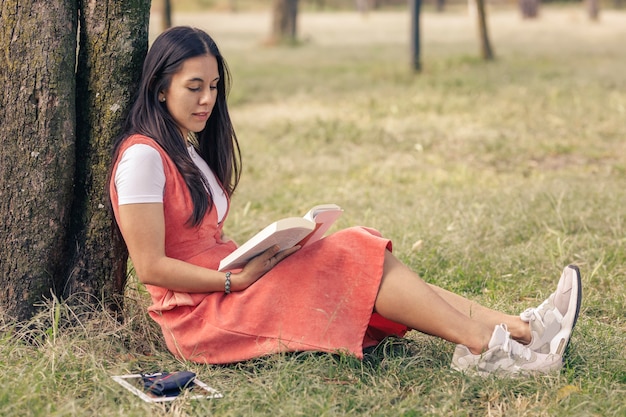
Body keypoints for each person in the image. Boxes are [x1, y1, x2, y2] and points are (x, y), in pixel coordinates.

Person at [108, 26, 582, 376]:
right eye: (195, 87)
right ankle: (487, 346)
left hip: (230, 280)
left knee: (360, 248)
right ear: (159, 85)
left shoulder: (183, 148)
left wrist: (266, 253)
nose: (208, 100)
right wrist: (232, 279)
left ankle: (521, 329)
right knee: (353, 252)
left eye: (213, 88)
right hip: (202, 312)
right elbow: (151, 268)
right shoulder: (143, 158)